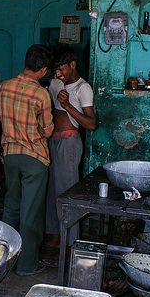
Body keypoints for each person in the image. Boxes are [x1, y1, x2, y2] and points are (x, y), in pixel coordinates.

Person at [0, 44, 54, 276]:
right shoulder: (41, 93)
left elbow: (0, 118)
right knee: (30, 212)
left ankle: (4, 261)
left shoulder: (3, 87)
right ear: (43, 70)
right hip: (34, 157)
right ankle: (27, 265)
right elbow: (48, 130)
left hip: (10, 154)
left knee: (11, 206)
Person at [45, 48, 96, 248]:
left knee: (67, 192)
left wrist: (68, 106)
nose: (58, 74)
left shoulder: (83, 88)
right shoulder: (55, 84)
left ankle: (71, 240)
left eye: (61, 68)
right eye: (55, 69)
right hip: (53, 141)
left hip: (69, 143)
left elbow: (91, 124)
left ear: (72, 64)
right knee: (51, 191)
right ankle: (54, 235)